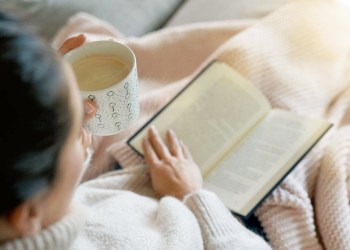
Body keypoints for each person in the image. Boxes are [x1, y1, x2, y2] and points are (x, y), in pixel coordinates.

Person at [0, 12, 271, 250]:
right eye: (75, 129)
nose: (83, 128)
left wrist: (51, 94)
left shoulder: (24, 215)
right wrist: (190, 196)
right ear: (28, 214)